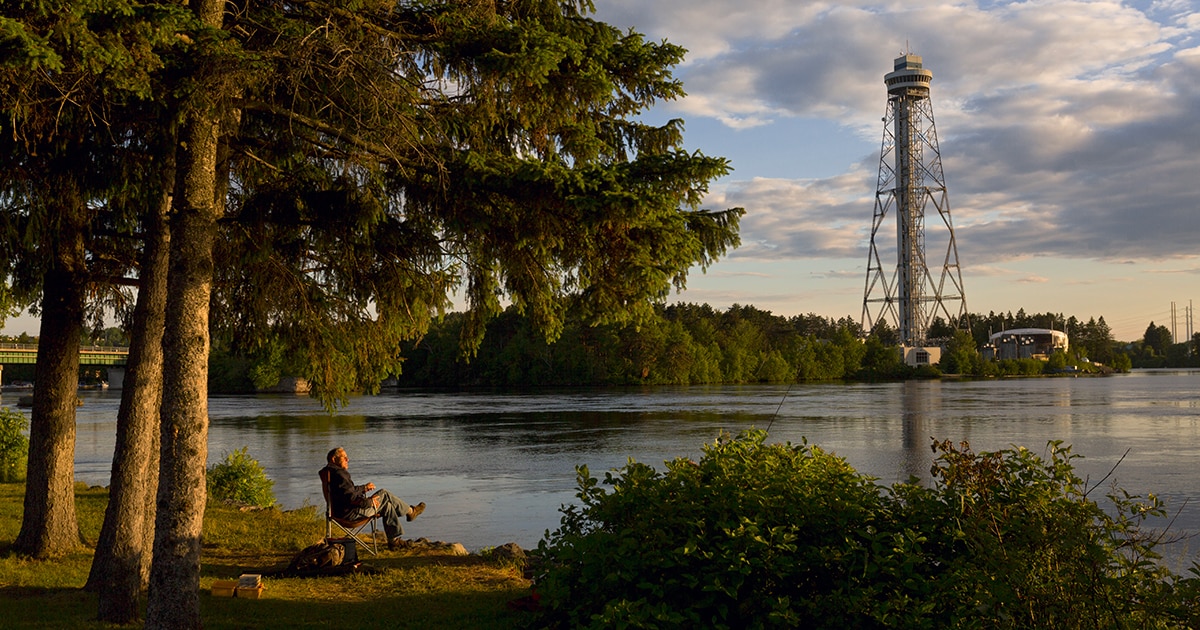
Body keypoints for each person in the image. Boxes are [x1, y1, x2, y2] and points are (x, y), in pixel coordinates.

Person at [322, 447, 425, 550]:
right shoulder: (340, 474)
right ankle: (411, 512)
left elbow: (348, 491)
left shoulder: (330, 472)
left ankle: (394, 542)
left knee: (387, 506)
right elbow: (351, 498)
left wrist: (364, 488)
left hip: (340, 512)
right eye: (344, 457)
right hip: (350, 514)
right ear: (334, 459)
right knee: (384, 494)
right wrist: (368, 502)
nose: (347, 460)